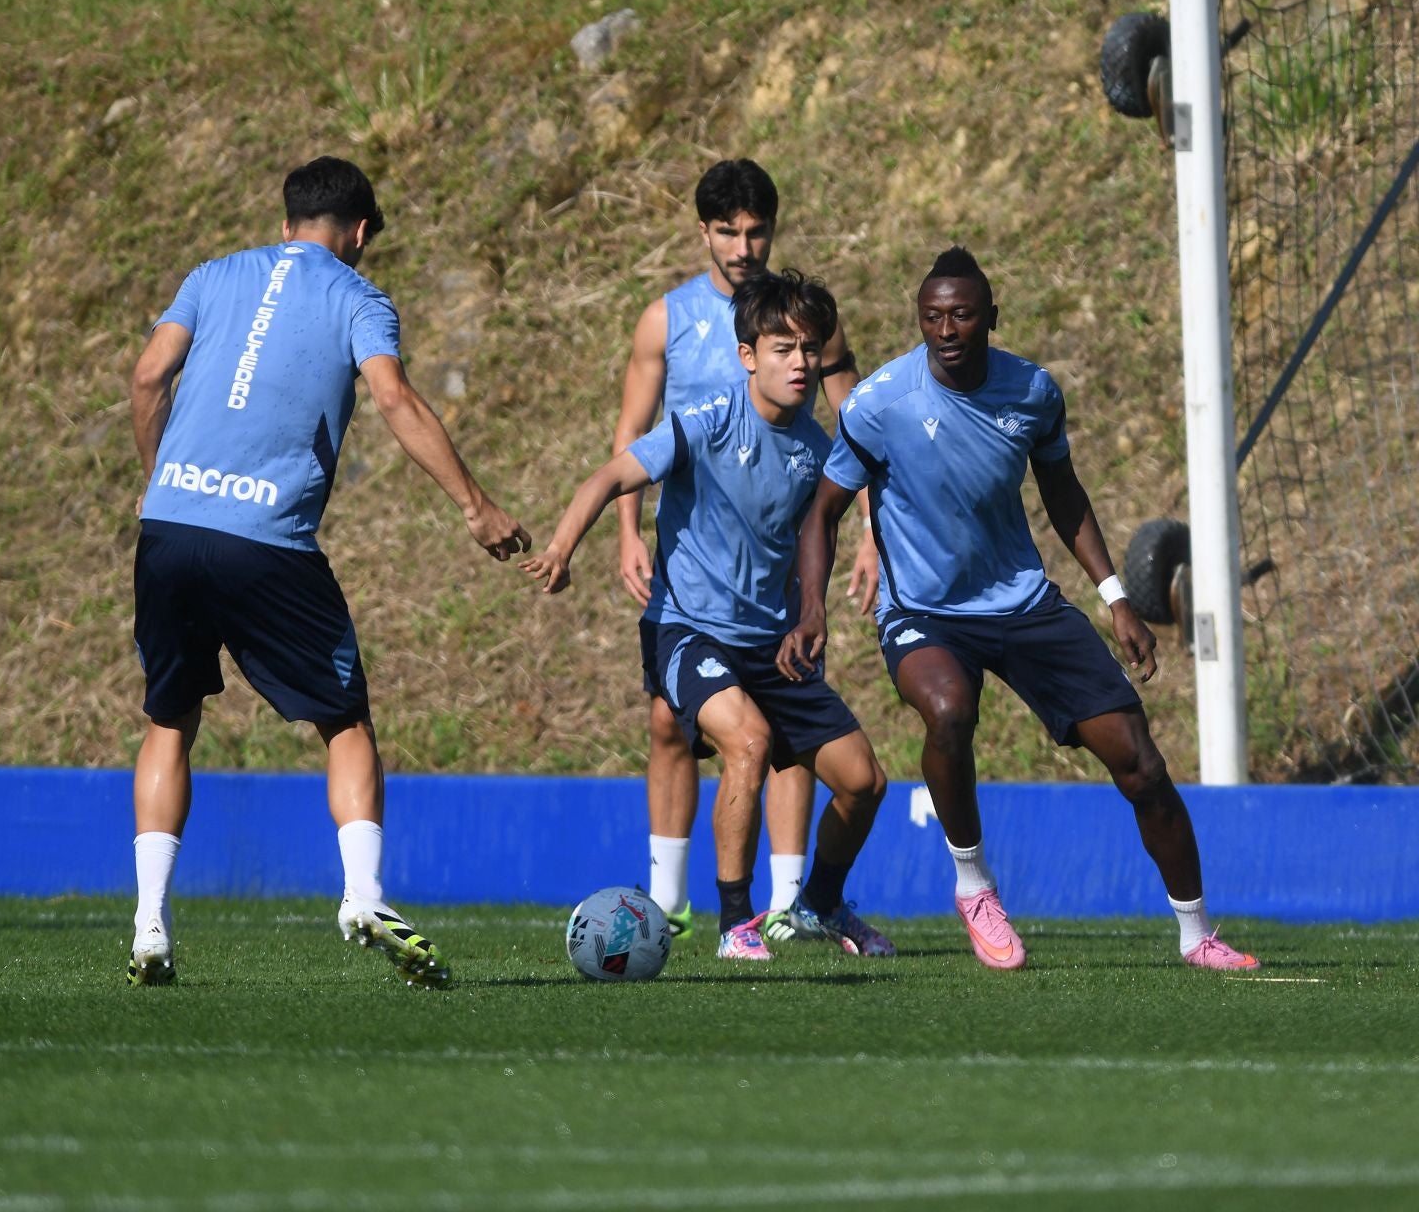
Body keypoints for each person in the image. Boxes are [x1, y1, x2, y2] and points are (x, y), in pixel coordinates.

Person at [781, 246, 1260, 971]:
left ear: (990, 319)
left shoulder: (1032, 391)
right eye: (932, 316)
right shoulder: (880, 403)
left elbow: (1063, 493)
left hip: (1022, 603)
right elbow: (823, 512)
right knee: (947, 711)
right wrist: (812, 608)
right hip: (925, 612)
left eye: (962, 314)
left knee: (1141, 766)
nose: (945, 328)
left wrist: (1115, 597)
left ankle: (1198, 935)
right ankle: (974, 885)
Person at [126, 156, 529, 988]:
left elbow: (147, 375)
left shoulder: (211, 274)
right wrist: (475, 505)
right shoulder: (359, 298)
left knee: (171, 720)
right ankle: (362, 896)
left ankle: (149, 922)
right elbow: (394, 400)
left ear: (285, 224)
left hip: (168, 526)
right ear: (360, 233)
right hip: (266, 540)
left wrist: (159, 478)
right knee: (344, 720)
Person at [526, 269, 893, 960]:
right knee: (748, 743)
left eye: (810, 349)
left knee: (864, 781)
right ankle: (735, 923)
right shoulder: (708, 421)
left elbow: (825, 532)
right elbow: (610, 476)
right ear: (747, 355)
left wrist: (813, 610)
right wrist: (561, 546)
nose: (801, 363)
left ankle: (819, 904)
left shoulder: (818, 450)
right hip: (686, 627)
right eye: (782, 348)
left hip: (771, 639)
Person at [610, 159, 877, 943]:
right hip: (692, 567)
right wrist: (628, 531)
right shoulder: (667, 321)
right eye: (728, 229)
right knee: (671, 724)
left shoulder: (807, 325)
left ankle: (792, 905)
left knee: (783, 736)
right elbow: (634, 435)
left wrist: (871, 539)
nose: (743, 244)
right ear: (704, 233)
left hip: (777, 573)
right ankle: (669, 900)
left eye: (757, 229)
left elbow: (857, 434)